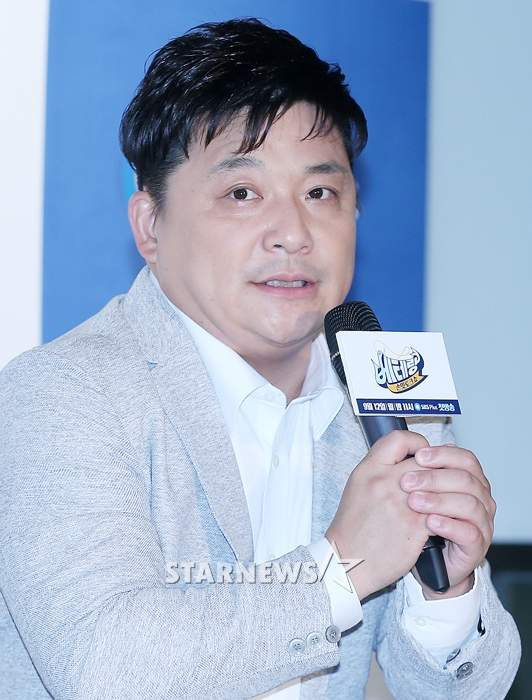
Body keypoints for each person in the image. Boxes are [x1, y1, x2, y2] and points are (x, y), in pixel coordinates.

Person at [0, 18, 520, 699]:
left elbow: (454, 690)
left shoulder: (388, 398)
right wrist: (340, 569)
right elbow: (107, 669)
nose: (293, 234)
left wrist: (446, 592)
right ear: (150, 226)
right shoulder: (61, 393)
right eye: (242, 194)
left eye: (319, 193)